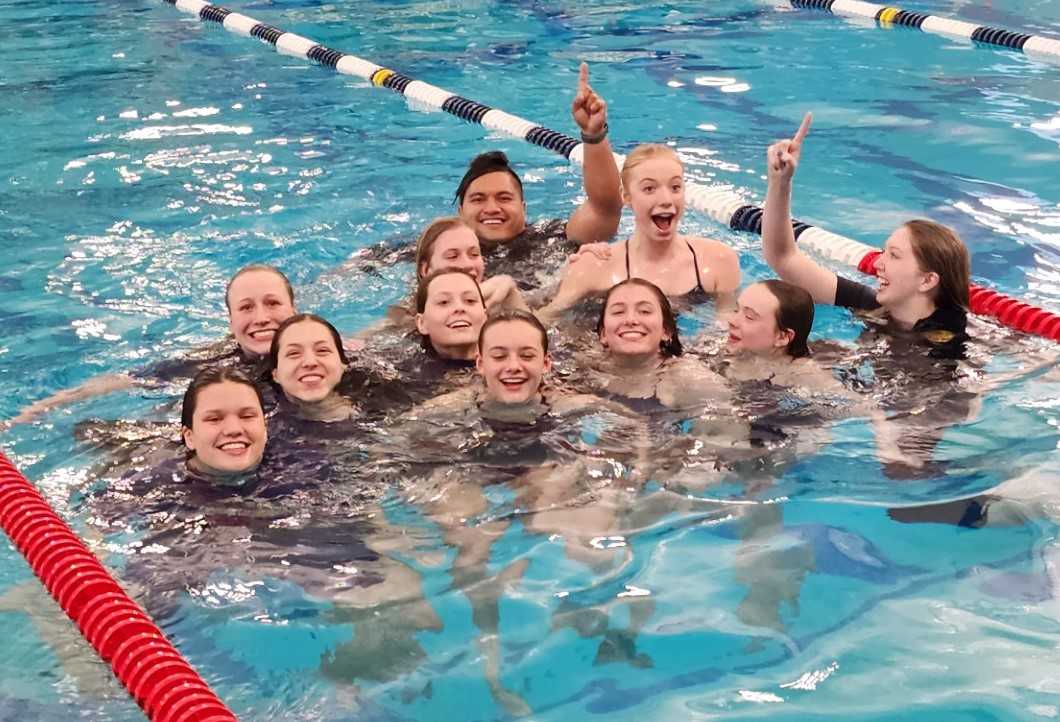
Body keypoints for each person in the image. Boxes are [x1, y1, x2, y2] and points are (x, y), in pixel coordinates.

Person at [348, 64, 623, 290]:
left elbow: (606, 207)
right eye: (478, 199)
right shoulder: (436, 250)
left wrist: (593, 135)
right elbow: (355, 268)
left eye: (504, 198)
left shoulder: (553, 239)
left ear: (523, 209)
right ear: (460, 211)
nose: (492, 208)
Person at [762, 113, 970, 355]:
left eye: (894, 255)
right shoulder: (876, 306)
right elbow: (783, 257)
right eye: (884, 252)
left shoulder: (953, 347)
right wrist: (780, 182)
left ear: (927, 281)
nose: (878, 263)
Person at [5, 264, 297, 426]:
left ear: (294, 311)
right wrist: (31, 412)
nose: (261, 318)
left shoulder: (328, 355)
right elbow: (124, 380)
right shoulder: (213, 362)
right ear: (231, 322)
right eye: (246, 308)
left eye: (273, 303)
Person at [537, 143, 740, 320]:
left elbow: (727, 333)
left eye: (675, 187)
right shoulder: (595, 266)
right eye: (649, 189)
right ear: (626, 197)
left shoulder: (718, 261)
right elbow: (544, 323)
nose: (666, 199)